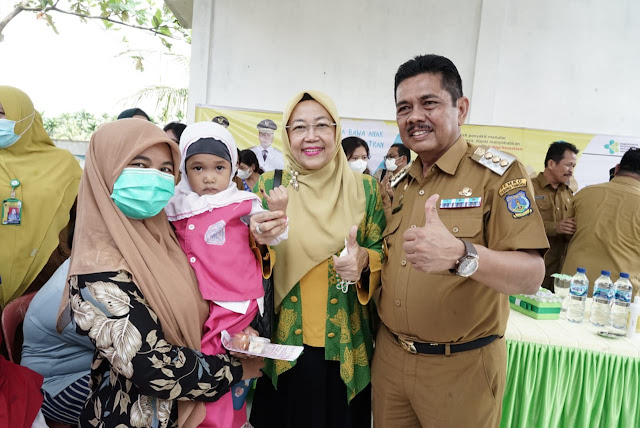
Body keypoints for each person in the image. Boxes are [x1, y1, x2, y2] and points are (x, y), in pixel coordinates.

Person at [373, 54, 548, 428]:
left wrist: (461, 254)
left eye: (429, 103)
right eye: (404, 107)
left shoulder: (498, 175)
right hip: (390, 359)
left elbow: (531, 276)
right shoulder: (401, 183)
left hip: (461, 367)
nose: (414, 116)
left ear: (461, 108)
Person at [58, 119, 264, 427]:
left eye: (166, 169)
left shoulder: (168, 241)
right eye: (140, 164)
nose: (154, 178)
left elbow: (205, 307)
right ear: (106, 170)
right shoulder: (97, 272)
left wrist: (237, 334)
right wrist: (238, 366)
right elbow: (154, 370)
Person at [249, 90, 386, 428]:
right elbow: (247, 260)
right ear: (287, 135)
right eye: (299, 127)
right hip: (284, 346)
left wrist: (364, 261)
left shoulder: (365, 189)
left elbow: (382, 250)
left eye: (321, 125)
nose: (311, 136)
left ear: (336, 131)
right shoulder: (269, 186)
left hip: (345, 348)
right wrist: (260, 240)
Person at [164, 121, 288, 428]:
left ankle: (214, 422)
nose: (209, 177)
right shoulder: (174, 205)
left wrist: (272, 220)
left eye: (219, 167)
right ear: (184, 169)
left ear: (232, 168)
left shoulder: (241, 202)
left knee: (214, 360)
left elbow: (264, 228)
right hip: (198, 301)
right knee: (210, 361)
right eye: (198, 168)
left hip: (235, 299)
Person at [0, 86, 81, 308]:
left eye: (1, 112)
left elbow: (84, 217)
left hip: (44, 273)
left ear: (25, 115)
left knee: (24, 337)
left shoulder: (62, 164)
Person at [22, 256, 93, 426]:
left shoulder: (88, 263)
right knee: (143, 399)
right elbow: (123, 349)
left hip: (82, 366)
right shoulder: (71, 296)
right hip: (52, 387)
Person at [562, 147, 640, 297]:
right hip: (620, 298)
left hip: (573, 289)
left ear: (617, 169)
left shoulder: (584, 194)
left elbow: (566, 234)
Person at [531, 141, 578, 290]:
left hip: (561, 273)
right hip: (535, 268)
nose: (571, 171)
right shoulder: (529, 188)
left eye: (573, 166)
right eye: (568, 165)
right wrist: (554, 228)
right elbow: (518, 225)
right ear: (551, 163)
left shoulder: (569, 194)